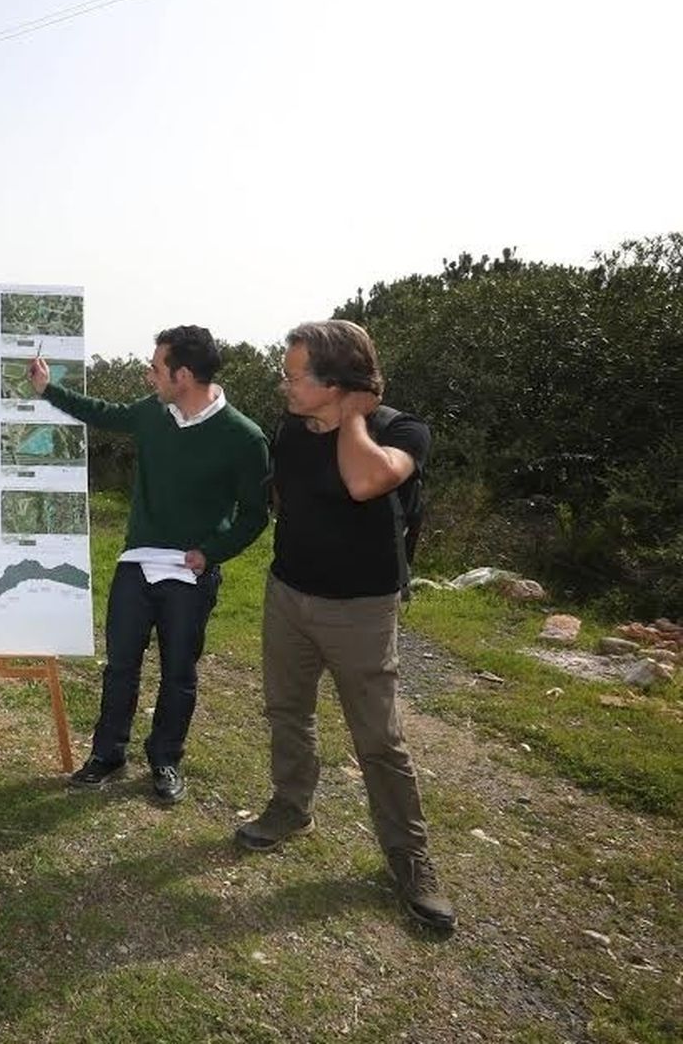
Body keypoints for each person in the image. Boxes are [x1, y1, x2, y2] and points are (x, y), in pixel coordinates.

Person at [234, 319, 456, 932]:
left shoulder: (402, 429)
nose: (284, 382)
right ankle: (290, 807)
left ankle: (411, 863)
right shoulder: (290, 428)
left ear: (337, 381)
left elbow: (365, 481)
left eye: (296, 374)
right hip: (288, 595)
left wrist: (354, 418)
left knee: (379, 741)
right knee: (287, 710)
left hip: (361, 609)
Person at [29, 326, 269, 803]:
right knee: (120, 666)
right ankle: (107, 754)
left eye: (156, 367)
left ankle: (165, 759)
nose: (148, 373)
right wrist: (47, 389)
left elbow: (256, 514)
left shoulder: (244, 437)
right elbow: (103, 413)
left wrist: (209, 553)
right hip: (137, 563)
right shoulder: (152, 412)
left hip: (191, 571)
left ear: (183, 375)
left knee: (179, 671)